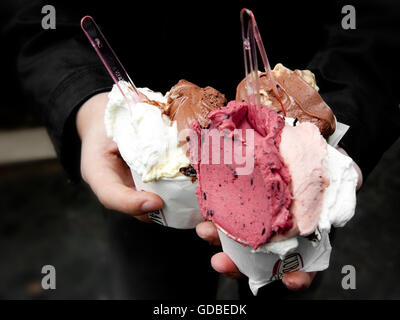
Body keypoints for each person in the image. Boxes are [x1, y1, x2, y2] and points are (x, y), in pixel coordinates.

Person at [2, 0, 399, 299]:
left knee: (284, 280)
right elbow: (34, 15)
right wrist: (86, 103)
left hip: (298, 133)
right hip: (144, 167)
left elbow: (380, 17)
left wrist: (343, 113)